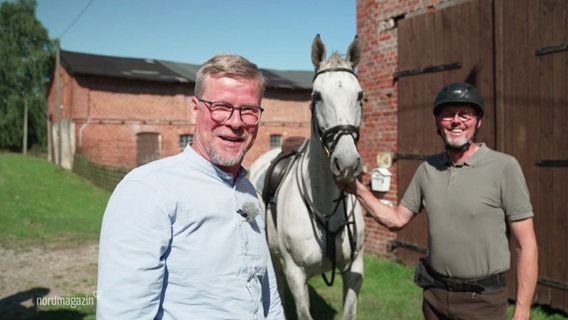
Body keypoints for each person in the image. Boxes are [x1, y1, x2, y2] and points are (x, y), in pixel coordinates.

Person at [96, 53, 285, 319]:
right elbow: (125, 313)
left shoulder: (247, 190)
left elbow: (267, 291)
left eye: (248, 111)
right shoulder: (147, 191)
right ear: (195, 110)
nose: (235, 122)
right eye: (221, 106)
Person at [339, 82, 538, 320]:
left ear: (478, 121)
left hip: (483, 302)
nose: (456, 121)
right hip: (435, 297)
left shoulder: (504, 167)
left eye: (465, 114)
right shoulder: (428, 169)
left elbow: (526, 245)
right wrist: (357, 189)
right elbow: (396, 219)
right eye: (447, 115)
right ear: (437, 123)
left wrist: (523, 310)